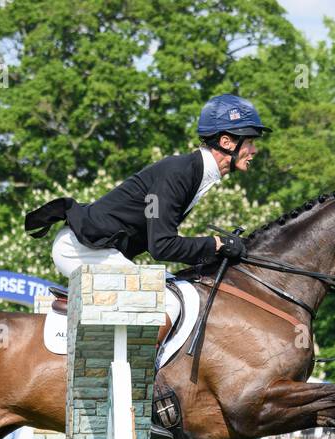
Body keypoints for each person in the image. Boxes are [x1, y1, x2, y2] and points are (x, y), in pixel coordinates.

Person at [26, 94, 268, 326]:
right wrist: (216, 245)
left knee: (181, 291)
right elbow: (161, 245)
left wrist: (215, 249)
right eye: (250, 142)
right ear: (226, 142)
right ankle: (124, 369)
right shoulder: (179, 173)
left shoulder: (195, 173)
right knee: (166, 303)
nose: (255, 150)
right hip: (80, 249)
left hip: (95, 249)